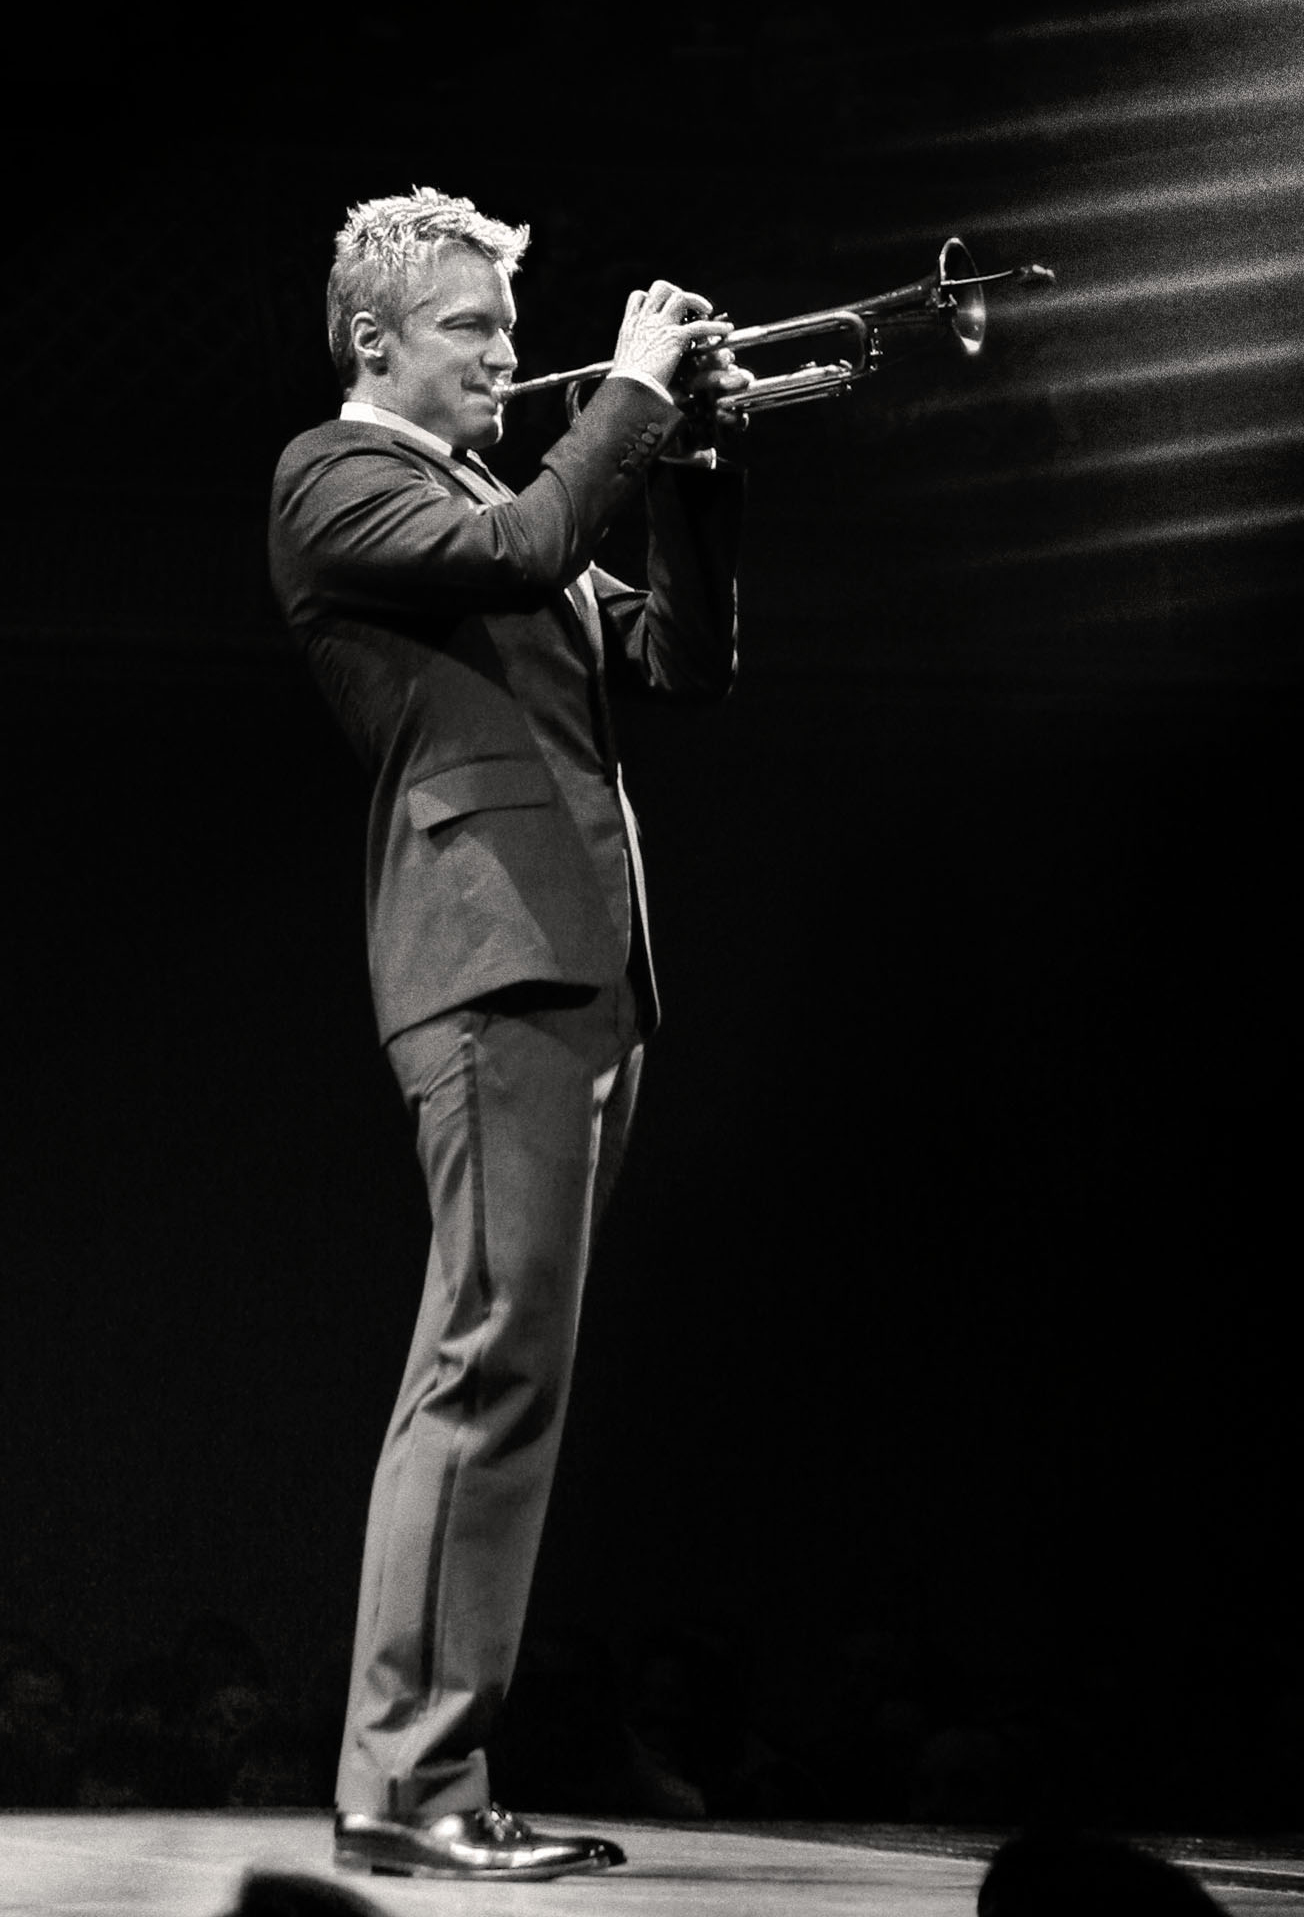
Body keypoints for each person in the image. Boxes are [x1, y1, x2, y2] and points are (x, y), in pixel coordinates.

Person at [267, 186, 750, 1881]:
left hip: (578, 964)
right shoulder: (339, 476)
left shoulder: (495, 496)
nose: (501, 358)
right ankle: (409, 1784)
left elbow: (680, 658)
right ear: (375, 342)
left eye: (510, 332)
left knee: (512, 1371)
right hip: (489, 957)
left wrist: (689, 459)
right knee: (484, 1362)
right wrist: (628, 395)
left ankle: (427, 1774)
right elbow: (526, 555)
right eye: (470, 329)